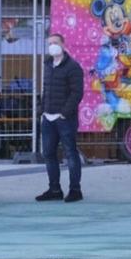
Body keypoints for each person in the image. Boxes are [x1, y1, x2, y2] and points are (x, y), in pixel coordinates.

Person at [36, 33, 85, 203]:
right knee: (49, 154)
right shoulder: (48, 65)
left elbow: (77, 93)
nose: (52, 46)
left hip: (65, 119)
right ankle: (54, 188)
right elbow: (46, 89)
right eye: (50, 43)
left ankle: (75, 190)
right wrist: (42, 109)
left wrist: (64, 112)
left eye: (55, 43)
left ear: (63, 45)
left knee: (70, 154)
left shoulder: (73, 67)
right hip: (48, 118)